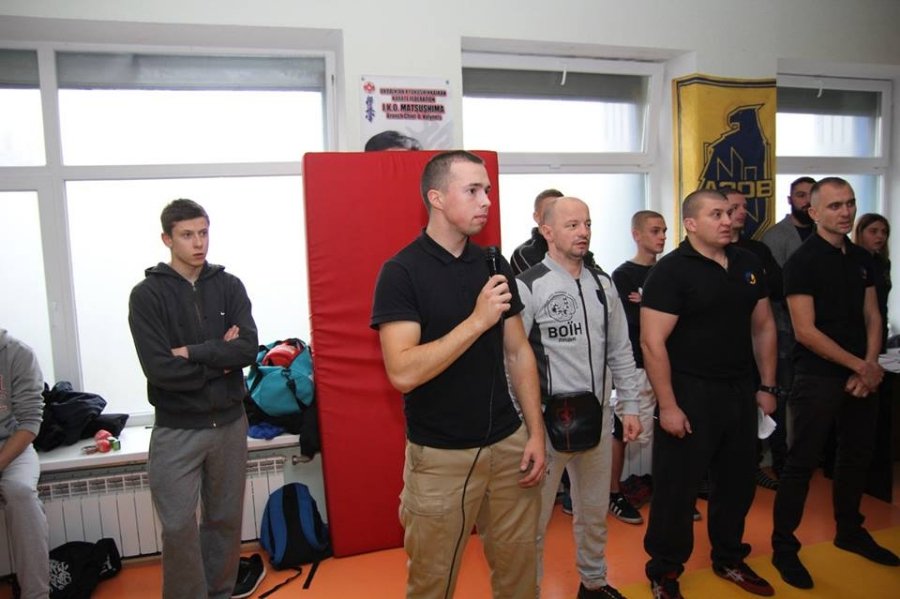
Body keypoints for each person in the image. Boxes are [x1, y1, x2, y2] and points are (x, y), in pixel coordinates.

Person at [370, 150, 546, 599]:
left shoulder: (493, 263)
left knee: (521, 577)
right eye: (472, 190)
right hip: (440, 457)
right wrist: (477, 321)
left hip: (508, 444)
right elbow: (402, 372)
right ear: (437, 198)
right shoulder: (401, 272)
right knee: (433, 584)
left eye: (487, 190)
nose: (486, 200)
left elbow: (518, 352)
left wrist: (535, 432)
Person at [641, 190, 777, 599]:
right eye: (716, 214)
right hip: (689, 393)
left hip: (739, 391)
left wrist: (767, 385)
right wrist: (668, 405)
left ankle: (729, 558)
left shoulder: (748, 263)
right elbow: (652, 343)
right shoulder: (670, 272)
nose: (728, 220)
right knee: (676, 490)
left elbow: (763, 326)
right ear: (691, 224)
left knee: (737, 484)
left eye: (729, 213)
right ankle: (664, 571)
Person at [771, 178, 899, 590]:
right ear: (814, 212)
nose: (845, 212)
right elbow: (805, 331)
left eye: (850, 204)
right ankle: (783, 547)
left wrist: (870, 365)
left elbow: (873, 315)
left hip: (862, 373)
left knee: (856, 455)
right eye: (834, 206)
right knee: (801, 463)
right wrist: (859, 366)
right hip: (818, 376)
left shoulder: (863, 258)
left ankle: (850, 530)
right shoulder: (802, 262)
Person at [128, 198, 259, 599]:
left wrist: (192, 352)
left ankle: (220, 592)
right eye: (187, 235)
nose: (198, 243)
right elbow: (161, 371)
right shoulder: (146, 295)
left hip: (230, 424)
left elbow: (247, 350)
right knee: (178, 527)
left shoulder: (229, 286)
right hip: (177, 428)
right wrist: (221, 360)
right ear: (167, 239)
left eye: (203, 233)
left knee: (224, 521)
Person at [517, 196, 643, 599]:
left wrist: (630, 405)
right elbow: (510, 360)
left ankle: (593, 583)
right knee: (532, 523)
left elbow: (620, 349)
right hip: (544, 426)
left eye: (587, 223)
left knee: (593, 514)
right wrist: (525, 425)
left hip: (598, 421)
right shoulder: (528, 285)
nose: (583, 232)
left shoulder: (603, 284)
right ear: (547, 232)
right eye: (572, 225)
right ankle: (529, 591)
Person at [722, 188, 786, 489]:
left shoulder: (755, 252)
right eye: (734, 207)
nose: (741, 212)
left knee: (756, 409)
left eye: (743, 207)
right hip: (723, 349)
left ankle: (755, 465)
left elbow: (777, 286)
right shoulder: (706, 256)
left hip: (757, 344)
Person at [609, 210, 668, 525]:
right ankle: (613, 492)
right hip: (634, 363)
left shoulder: (668, 271)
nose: (662, 237)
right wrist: (652, 307)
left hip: (667, 362)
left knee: (667, 425)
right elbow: (629, 322)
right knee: (621, 427)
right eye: (655, 231)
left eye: (664, 231)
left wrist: (646, 303)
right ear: (637, 234)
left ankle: (667, 490)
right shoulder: (623, 275)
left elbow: (679, 316)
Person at [0, 329, 49, 599]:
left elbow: (30, 423)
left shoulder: (18, 354)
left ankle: (36, 594)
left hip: (14, 445)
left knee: (20, 492)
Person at [510, 188, 599, 276]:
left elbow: (600, 281)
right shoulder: (524, 253)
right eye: (573, 225)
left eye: (588, 225)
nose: (583, 233)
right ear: (536, 216)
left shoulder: (578, 250)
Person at [854, 213, 892, 348]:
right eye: (873, 231)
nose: (880, 236)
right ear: (860, 232)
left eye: (884, 232)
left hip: (880, 327)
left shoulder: (883, 263)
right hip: (857, 329)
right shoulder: (851, 260)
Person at [761, 176, 816, 267]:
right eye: (801, 195)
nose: (808, 201)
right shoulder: (774, 236)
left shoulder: (825, 232)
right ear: (789, 200)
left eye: (813, 196)